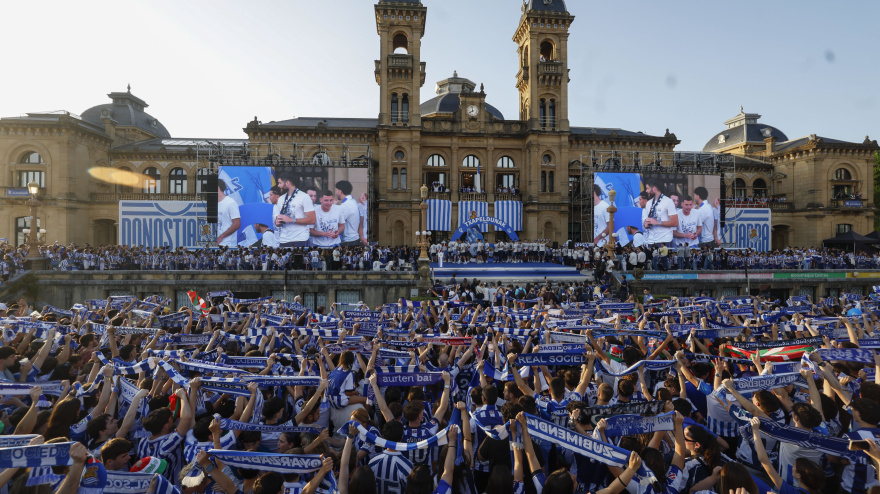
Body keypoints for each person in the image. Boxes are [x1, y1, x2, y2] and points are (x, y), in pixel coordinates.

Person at [273, 173, 316, 248]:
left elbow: (312, 220)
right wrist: (277, 222)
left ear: (288, 183)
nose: (278, 186)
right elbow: (277, 221)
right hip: (283, 240)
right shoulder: (280, 199)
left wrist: (291, 219)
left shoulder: (304, 197)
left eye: (280, 183)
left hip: (300, 239)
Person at [336, 180, 365, 247]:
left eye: (336, 190)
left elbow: (335, 221)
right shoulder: (352, 201)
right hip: (353, 239)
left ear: (340, 192)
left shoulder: (347, 205)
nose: (336, 193)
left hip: (349, 241)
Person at [216, 179, 241, 248]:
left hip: (228, 244)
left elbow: (237, 224)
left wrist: (221, 237)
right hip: (216, 244)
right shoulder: (215, 204)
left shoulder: (230, 203)